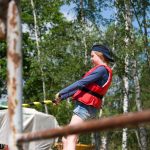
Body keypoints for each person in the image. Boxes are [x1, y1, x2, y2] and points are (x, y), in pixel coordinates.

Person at [54, 44, 114, 150]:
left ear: (100, 55)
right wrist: (62, 97)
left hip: (85, 107)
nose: (91, 59)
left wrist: (61, 92)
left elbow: (81, 83)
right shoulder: (102, 70)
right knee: (66, 138)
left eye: (92, 56)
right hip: (89, 107)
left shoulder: (102, 70)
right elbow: (82, 89)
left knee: (71, 137)